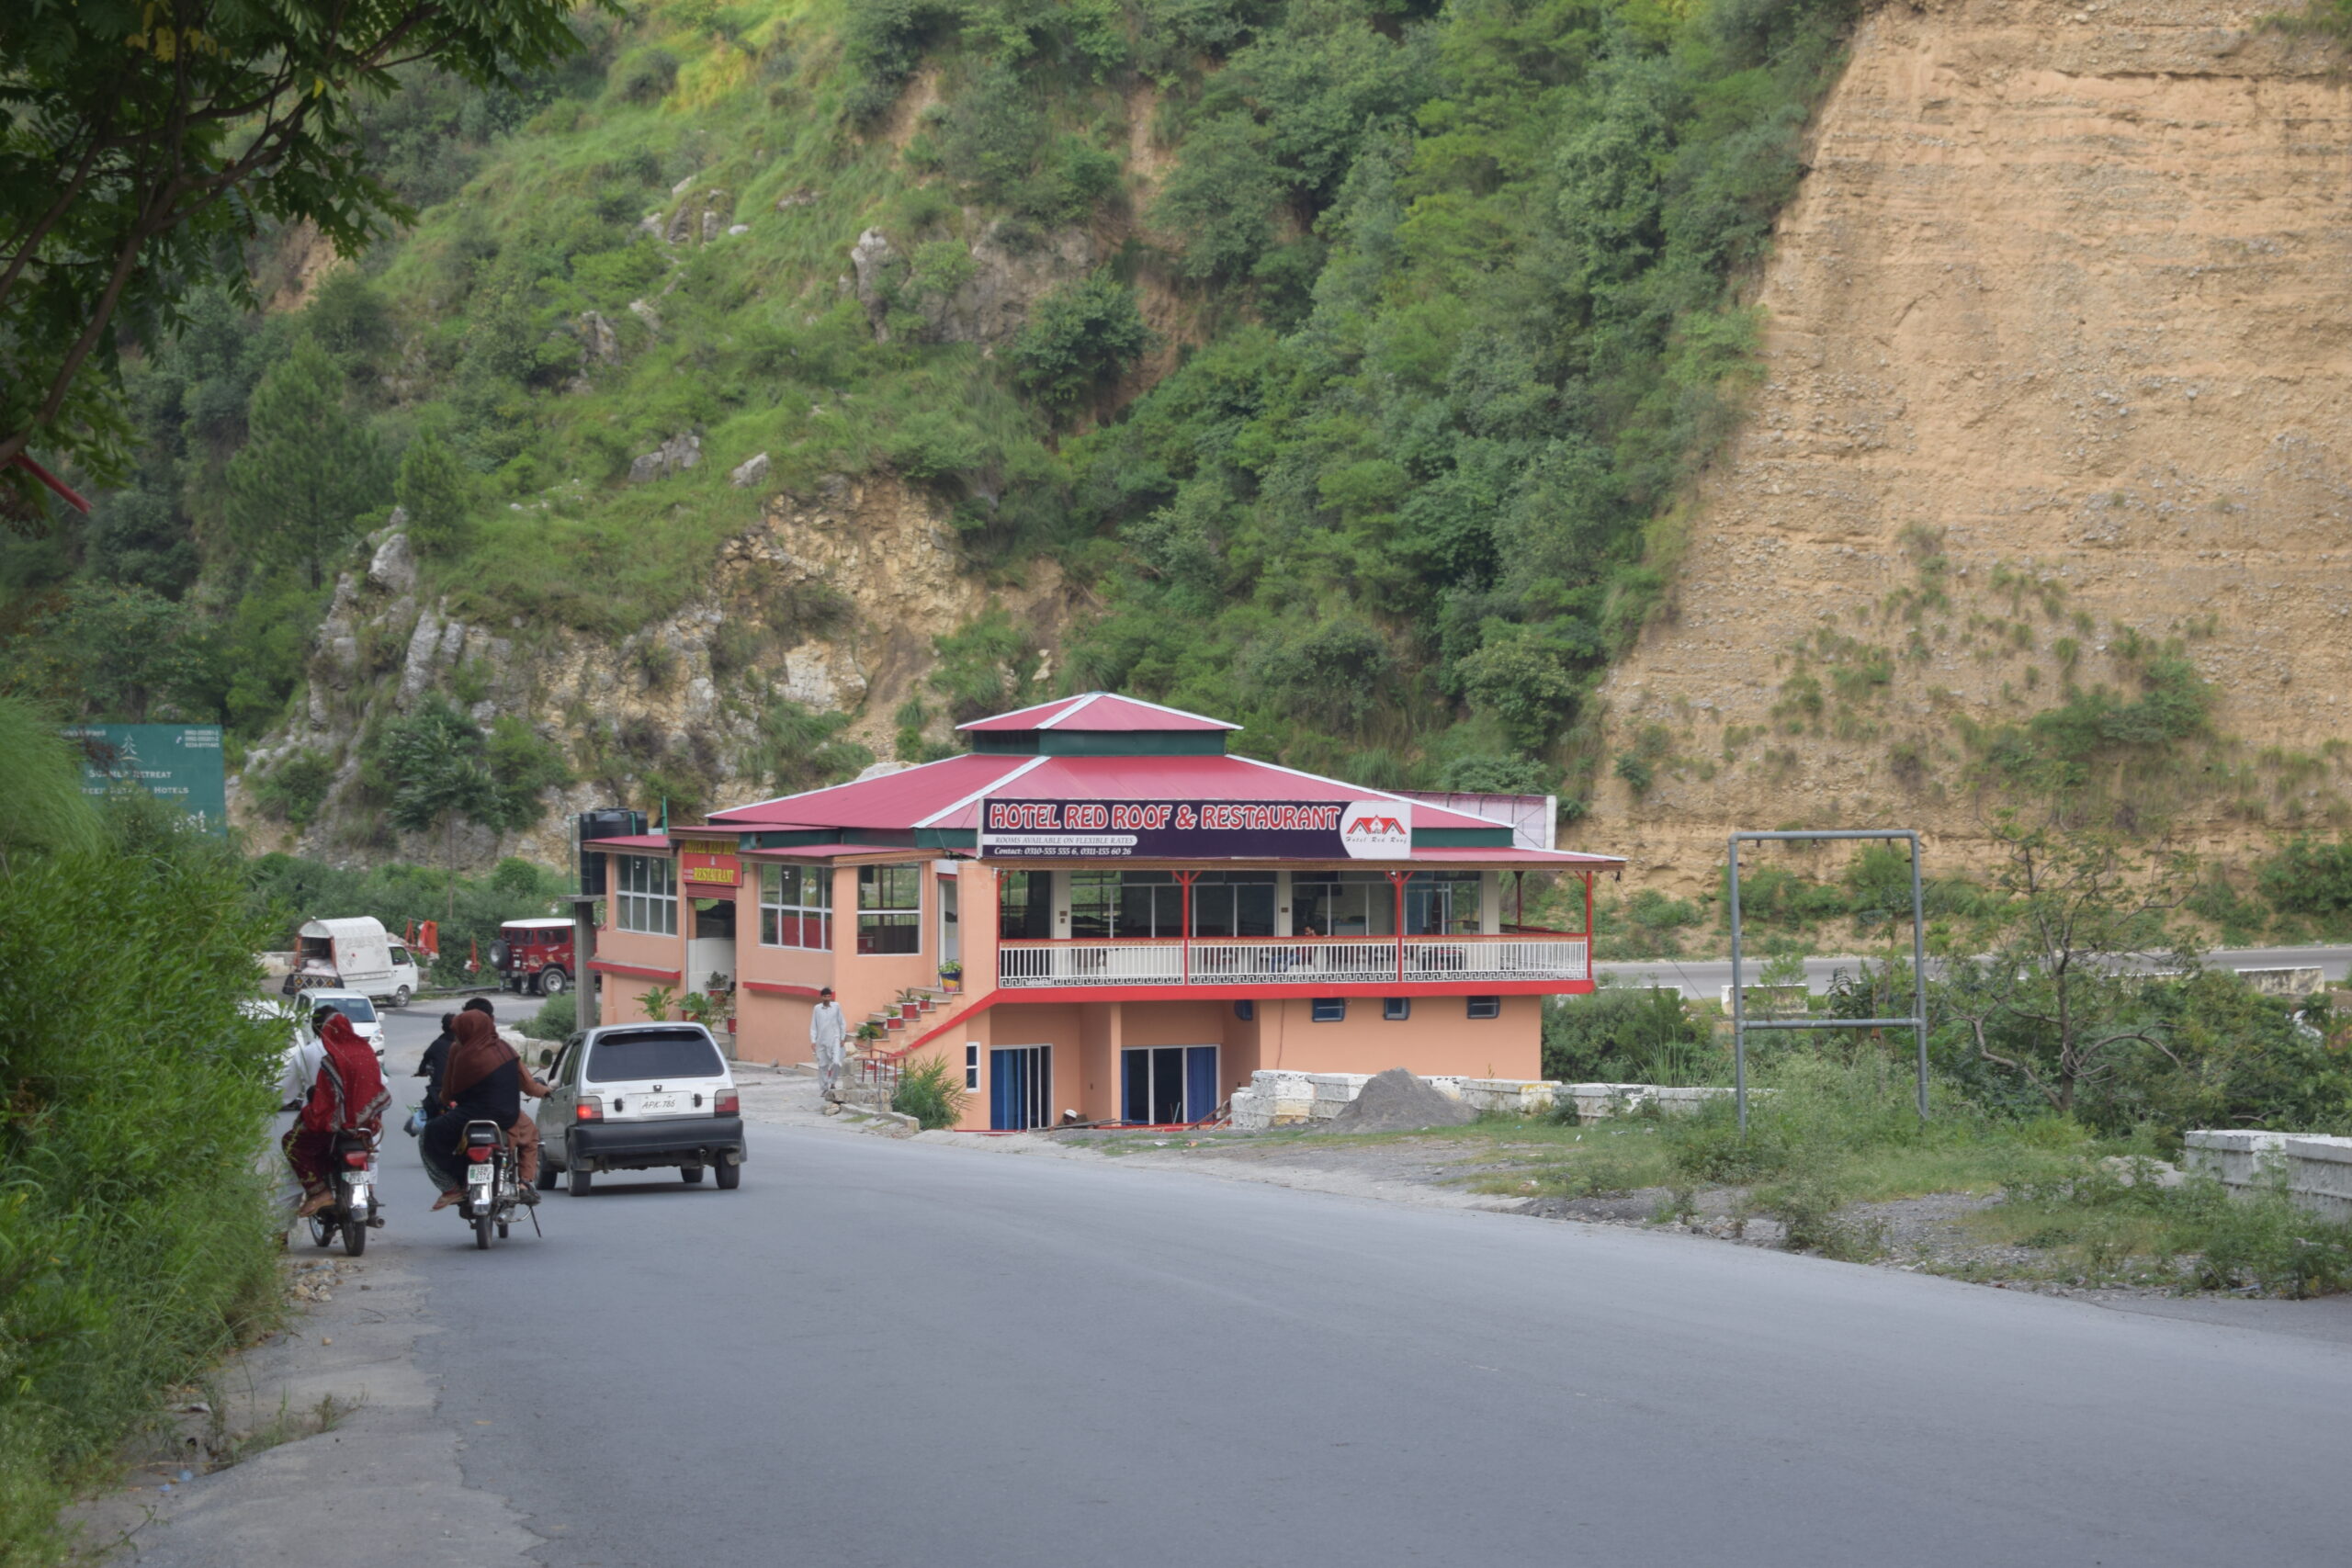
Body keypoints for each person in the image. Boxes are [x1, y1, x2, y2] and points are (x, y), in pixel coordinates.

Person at [420, 1010, 553, 1209]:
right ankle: (524, 1183)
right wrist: (547, 1091)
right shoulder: (506, 1051)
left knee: (427, 1135)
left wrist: (444, 1099)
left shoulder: (460, 1053)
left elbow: (449, 1094)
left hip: (468, 1118)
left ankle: (452, 1187)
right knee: (531, 1136)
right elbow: (529, 1085)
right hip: (508, 1118)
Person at [284, 1011, 390, 1220]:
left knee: (292, 1143)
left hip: (338, 1127)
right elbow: (382, 1086)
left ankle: (319, 1193)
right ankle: (369, 1194)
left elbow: (325, 1101)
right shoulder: (366, 1052)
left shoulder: (330, 1059)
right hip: (367, 1127)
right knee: (373, 1155)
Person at [415, 1011, 458, 1118]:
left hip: (442, 1091)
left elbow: (425, 1061)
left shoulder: (438, 1044)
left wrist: (421, 1071)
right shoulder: (469, 1044)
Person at [809, 987, 847, 1104]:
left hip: (835, 1039)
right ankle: (824, 1088)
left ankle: (832, 1082)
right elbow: (813, 1026)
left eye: (829, 996)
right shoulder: (817, 1009)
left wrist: (842, 1038)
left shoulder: (836, 1006)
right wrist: (813, 1041)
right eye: (825, 996)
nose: (827, 998)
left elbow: (842, 1022)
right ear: (821, 997)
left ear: (831, 997)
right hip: (821, 1041)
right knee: (822, 1066)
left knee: (836, 1062)